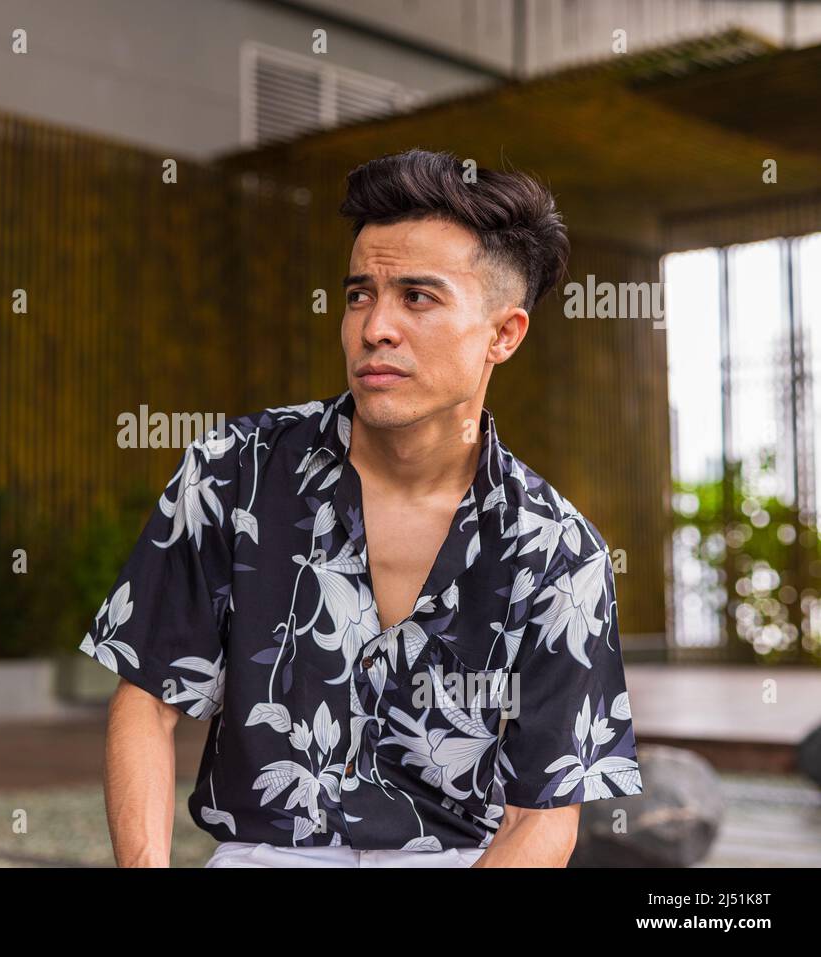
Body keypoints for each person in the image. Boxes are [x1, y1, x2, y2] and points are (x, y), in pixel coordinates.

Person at [78, 148, 643, 868]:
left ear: (504, 333)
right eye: (358, 295)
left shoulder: (559, 552)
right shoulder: (233, 473)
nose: (375, 327)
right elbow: (146, 703)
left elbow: (541, 819)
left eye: (417, 297)